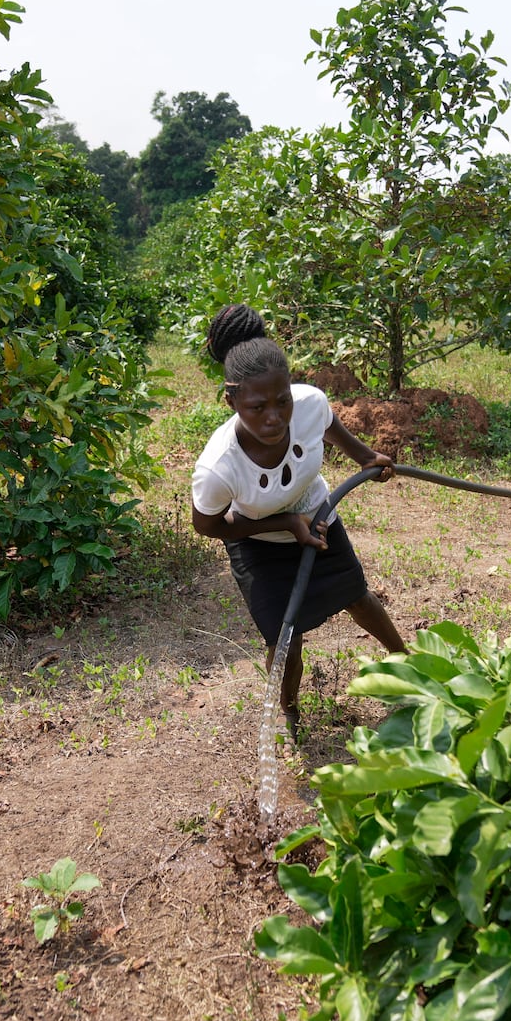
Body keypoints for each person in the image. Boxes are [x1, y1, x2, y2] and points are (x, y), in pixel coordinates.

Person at [190, 303, 407, 734]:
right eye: (256, 408)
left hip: (317, 515)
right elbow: (208, 525)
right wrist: (285, 525)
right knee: (284, 638)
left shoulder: (309, 404)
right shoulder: (218, 468)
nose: (273, 418)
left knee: (357, 596)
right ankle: (288, 713)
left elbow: (328, 428)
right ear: (230, 400)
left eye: (282, 401)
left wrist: (369, 459)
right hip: (257, 541)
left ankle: (408, 667)